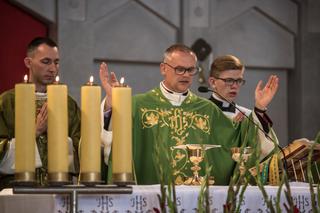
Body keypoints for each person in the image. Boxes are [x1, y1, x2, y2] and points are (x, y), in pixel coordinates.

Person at [100, 44, 278, 185]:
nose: (186, 75)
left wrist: (259, 109)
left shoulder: (207, 109)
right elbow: (110, 141)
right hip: (151, 198)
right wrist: (111, 103)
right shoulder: (138, 105)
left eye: (191, 70)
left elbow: (238, 141)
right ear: (163, 68)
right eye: (180, 69)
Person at [0, 37, 81, 189]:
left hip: (60, 192)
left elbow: (84, 151)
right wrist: (34, 132)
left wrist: (57, 134)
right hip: (16, 193)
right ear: (28, 62)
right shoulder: (7, 102)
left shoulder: (68, 104)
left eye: (56, 62)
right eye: (46, 61)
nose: (53, 69)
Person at [208, 55, 277, 136]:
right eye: (229, 80)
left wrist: (260, 107)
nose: (234, 86)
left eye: (239, 80)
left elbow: (262, 144)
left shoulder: (247, 116)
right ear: (213, 82)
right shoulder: (200, 113)